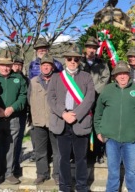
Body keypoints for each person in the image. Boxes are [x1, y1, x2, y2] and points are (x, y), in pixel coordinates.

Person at [94, 61, 135, 192]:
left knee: (131, 170)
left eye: (125, 73)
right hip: (111, 139)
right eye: (119, 74)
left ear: (129, 75)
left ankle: (133, 189)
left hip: (131, 139)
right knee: (113, 171)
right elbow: (98, 113)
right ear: (114, 76)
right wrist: (98, 131)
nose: (122, 76)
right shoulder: (107, 90)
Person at [47, 45, 95, 192]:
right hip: (62, 121)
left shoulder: (86, 77)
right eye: (69, 59)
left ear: (79, 60)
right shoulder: (56, 77)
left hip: (79, 121)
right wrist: (64, 113)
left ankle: (81, 186)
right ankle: (65, 186)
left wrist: (76, 114)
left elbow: (90, 98)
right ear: (65, 60)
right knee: (63, 158)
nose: (72, 61)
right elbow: (51, 98)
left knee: (81, 158)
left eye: (76, 59)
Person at [0, 51, 28, 189]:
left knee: (12, 147)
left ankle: (9, 173)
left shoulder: (18, 78)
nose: (5, 68)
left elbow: (23, 96)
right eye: (3, 65)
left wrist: (13, 108)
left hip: (13, 118)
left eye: (8, 65)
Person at [28, 54, 59, 185]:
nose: (46, 67)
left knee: (58, 151)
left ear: (52, 67)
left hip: (55, 120)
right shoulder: (33, 81)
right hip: (38, 121)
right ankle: (42, 174)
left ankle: (57, 174)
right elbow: (29, 99)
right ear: (40, 67)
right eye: (44, 65)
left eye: (48, 65)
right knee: (40, 151)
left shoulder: (58, 80)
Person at [80, 36, 110, 163]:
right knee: (83, 124)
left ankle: (98, 153)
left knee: (97, 124)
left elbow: (105, 78)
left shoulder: (102, 64)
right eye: (89, 47)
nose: (91, 50)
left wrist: (93, 90)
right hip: (81, 99)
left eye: (94, 48)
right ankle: (85, 153)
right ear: (85, 49)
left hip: (98, 98)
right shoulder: (79, 63)